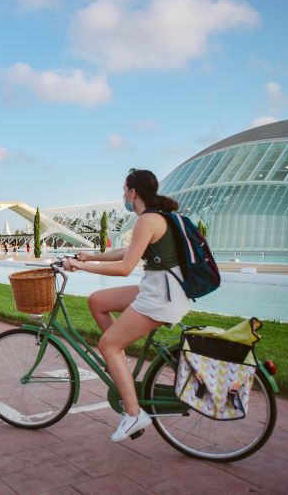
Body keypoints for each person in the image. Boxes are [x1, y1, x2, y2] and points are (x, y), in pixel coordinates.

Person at [62, 168, 189, 442]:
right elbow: (128, 251)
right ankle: (121, 368)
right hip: (160, 289)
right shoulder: (156, 216)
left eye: (124, 191)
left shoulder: (148, 220)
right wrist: (92, 255)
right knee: (97, 301)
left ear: (133, 193)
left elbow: (125, 267)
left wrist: (82, 266)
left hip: (160, 297)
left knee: (108, 344)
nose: (123, 196)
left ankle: (133, 414)